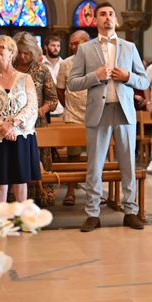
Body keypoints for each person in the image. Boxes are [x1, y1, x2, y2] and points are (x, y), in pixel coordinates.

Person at [68, 2, 149, 232]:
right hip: (98, 112)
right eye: (102, 14)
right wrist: (96, 75)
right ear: (95, 20)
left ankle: (130, 211)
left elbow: (144, 81)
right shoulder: (85, 49)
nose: (107, 18)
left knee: (128, 165)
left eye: (111, 14)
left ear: (116, 20)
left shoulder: (129, 47)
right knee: (94, 166)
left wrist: (127, 76)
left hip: (124, 112)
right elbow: (73, 83)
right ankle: (93, 214)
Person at [0, 35, 40, 204]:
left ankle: (22, 218)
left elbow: (32, 107)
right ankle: (0, 220)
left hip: (20, 135)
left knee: (20, 181)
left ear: (12, 52)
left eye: (1, 47)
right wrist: (2, 128)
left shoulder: (25, 78)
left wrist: (13, 124)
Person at [13, 31, 58, 205]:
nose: (23, 57)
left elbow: (53, 100)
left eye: (27, 53)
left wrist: (41, 110)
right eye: (20, 52)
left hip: (38, 123)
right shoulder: (10, 69)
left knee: (39, 159)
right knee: (17, 159)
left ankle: (42, 195)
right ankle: (16, 198)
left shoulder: (41, 71)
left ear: (33, 52)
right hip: (15, 124)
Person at [56, 30, 90, 206]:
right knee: (73, 155)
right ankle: (70, 191)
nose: (73, 46)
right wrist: (70, 105)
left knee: (95, 155)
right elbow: (60, 90)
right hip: (73, 115)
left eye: (77, 43)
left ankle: (93, 192)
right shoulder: (66, 64)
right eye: (71, 43)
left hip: (94, 115)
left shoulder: (96, 61)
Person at [42, 35, 64, 118]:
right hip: (44, 111)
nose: (56, 48)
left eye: (58, 46)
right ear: (45, 47)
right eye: (53, 45)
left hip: (62, 110)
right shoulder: (40, 64)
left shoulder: (65, 64)